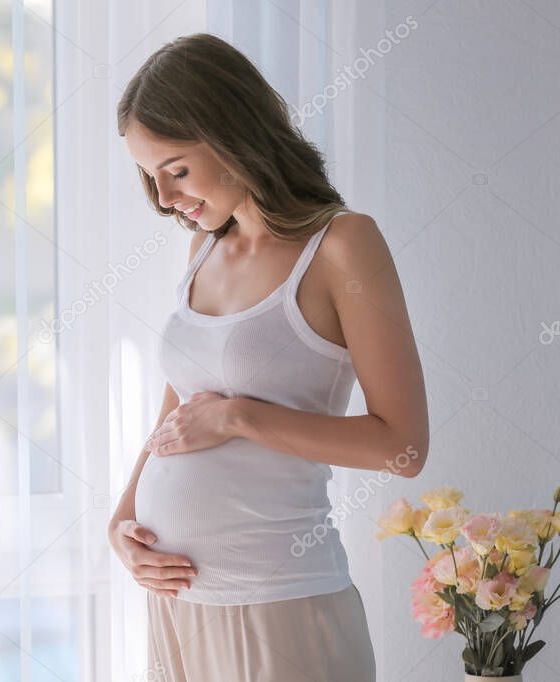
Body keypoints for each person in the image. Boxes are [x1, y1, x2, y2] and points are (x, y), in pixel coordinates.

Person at [107, 33, 429, 681]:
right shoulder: (201, 249)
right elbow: (181, 412)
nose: (165, 199)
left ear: (232, 134)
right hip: (176, 603)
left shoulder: (341, 244)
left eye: (175, 169)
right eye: (150, 177)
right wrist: (122, 523)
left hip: (278, 602)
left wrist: (238, 419)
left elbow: (402, 448)